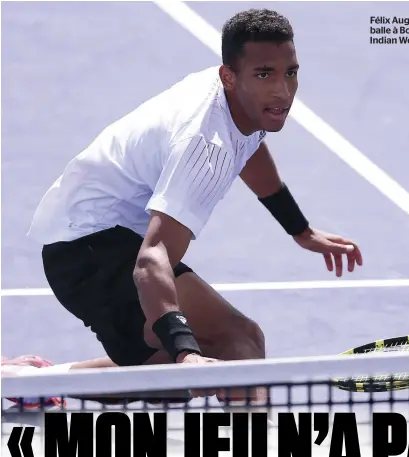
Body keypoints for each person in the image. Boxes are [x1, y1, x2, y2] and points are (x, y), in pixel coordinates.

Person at [25, 9, 363, 405]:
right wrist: (187, 354)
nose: (282, 91)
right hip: (86, 246)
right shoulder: (204, 145)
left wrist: (300, 230)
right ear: (229, 76)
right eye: (265, 75)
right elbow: (152, 260)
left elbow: (248, 148)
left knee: (185, 372)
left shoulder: (240, 103)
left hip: (105, 231)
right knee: (236, 344)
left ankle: (27, 382)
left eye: (290, 72)